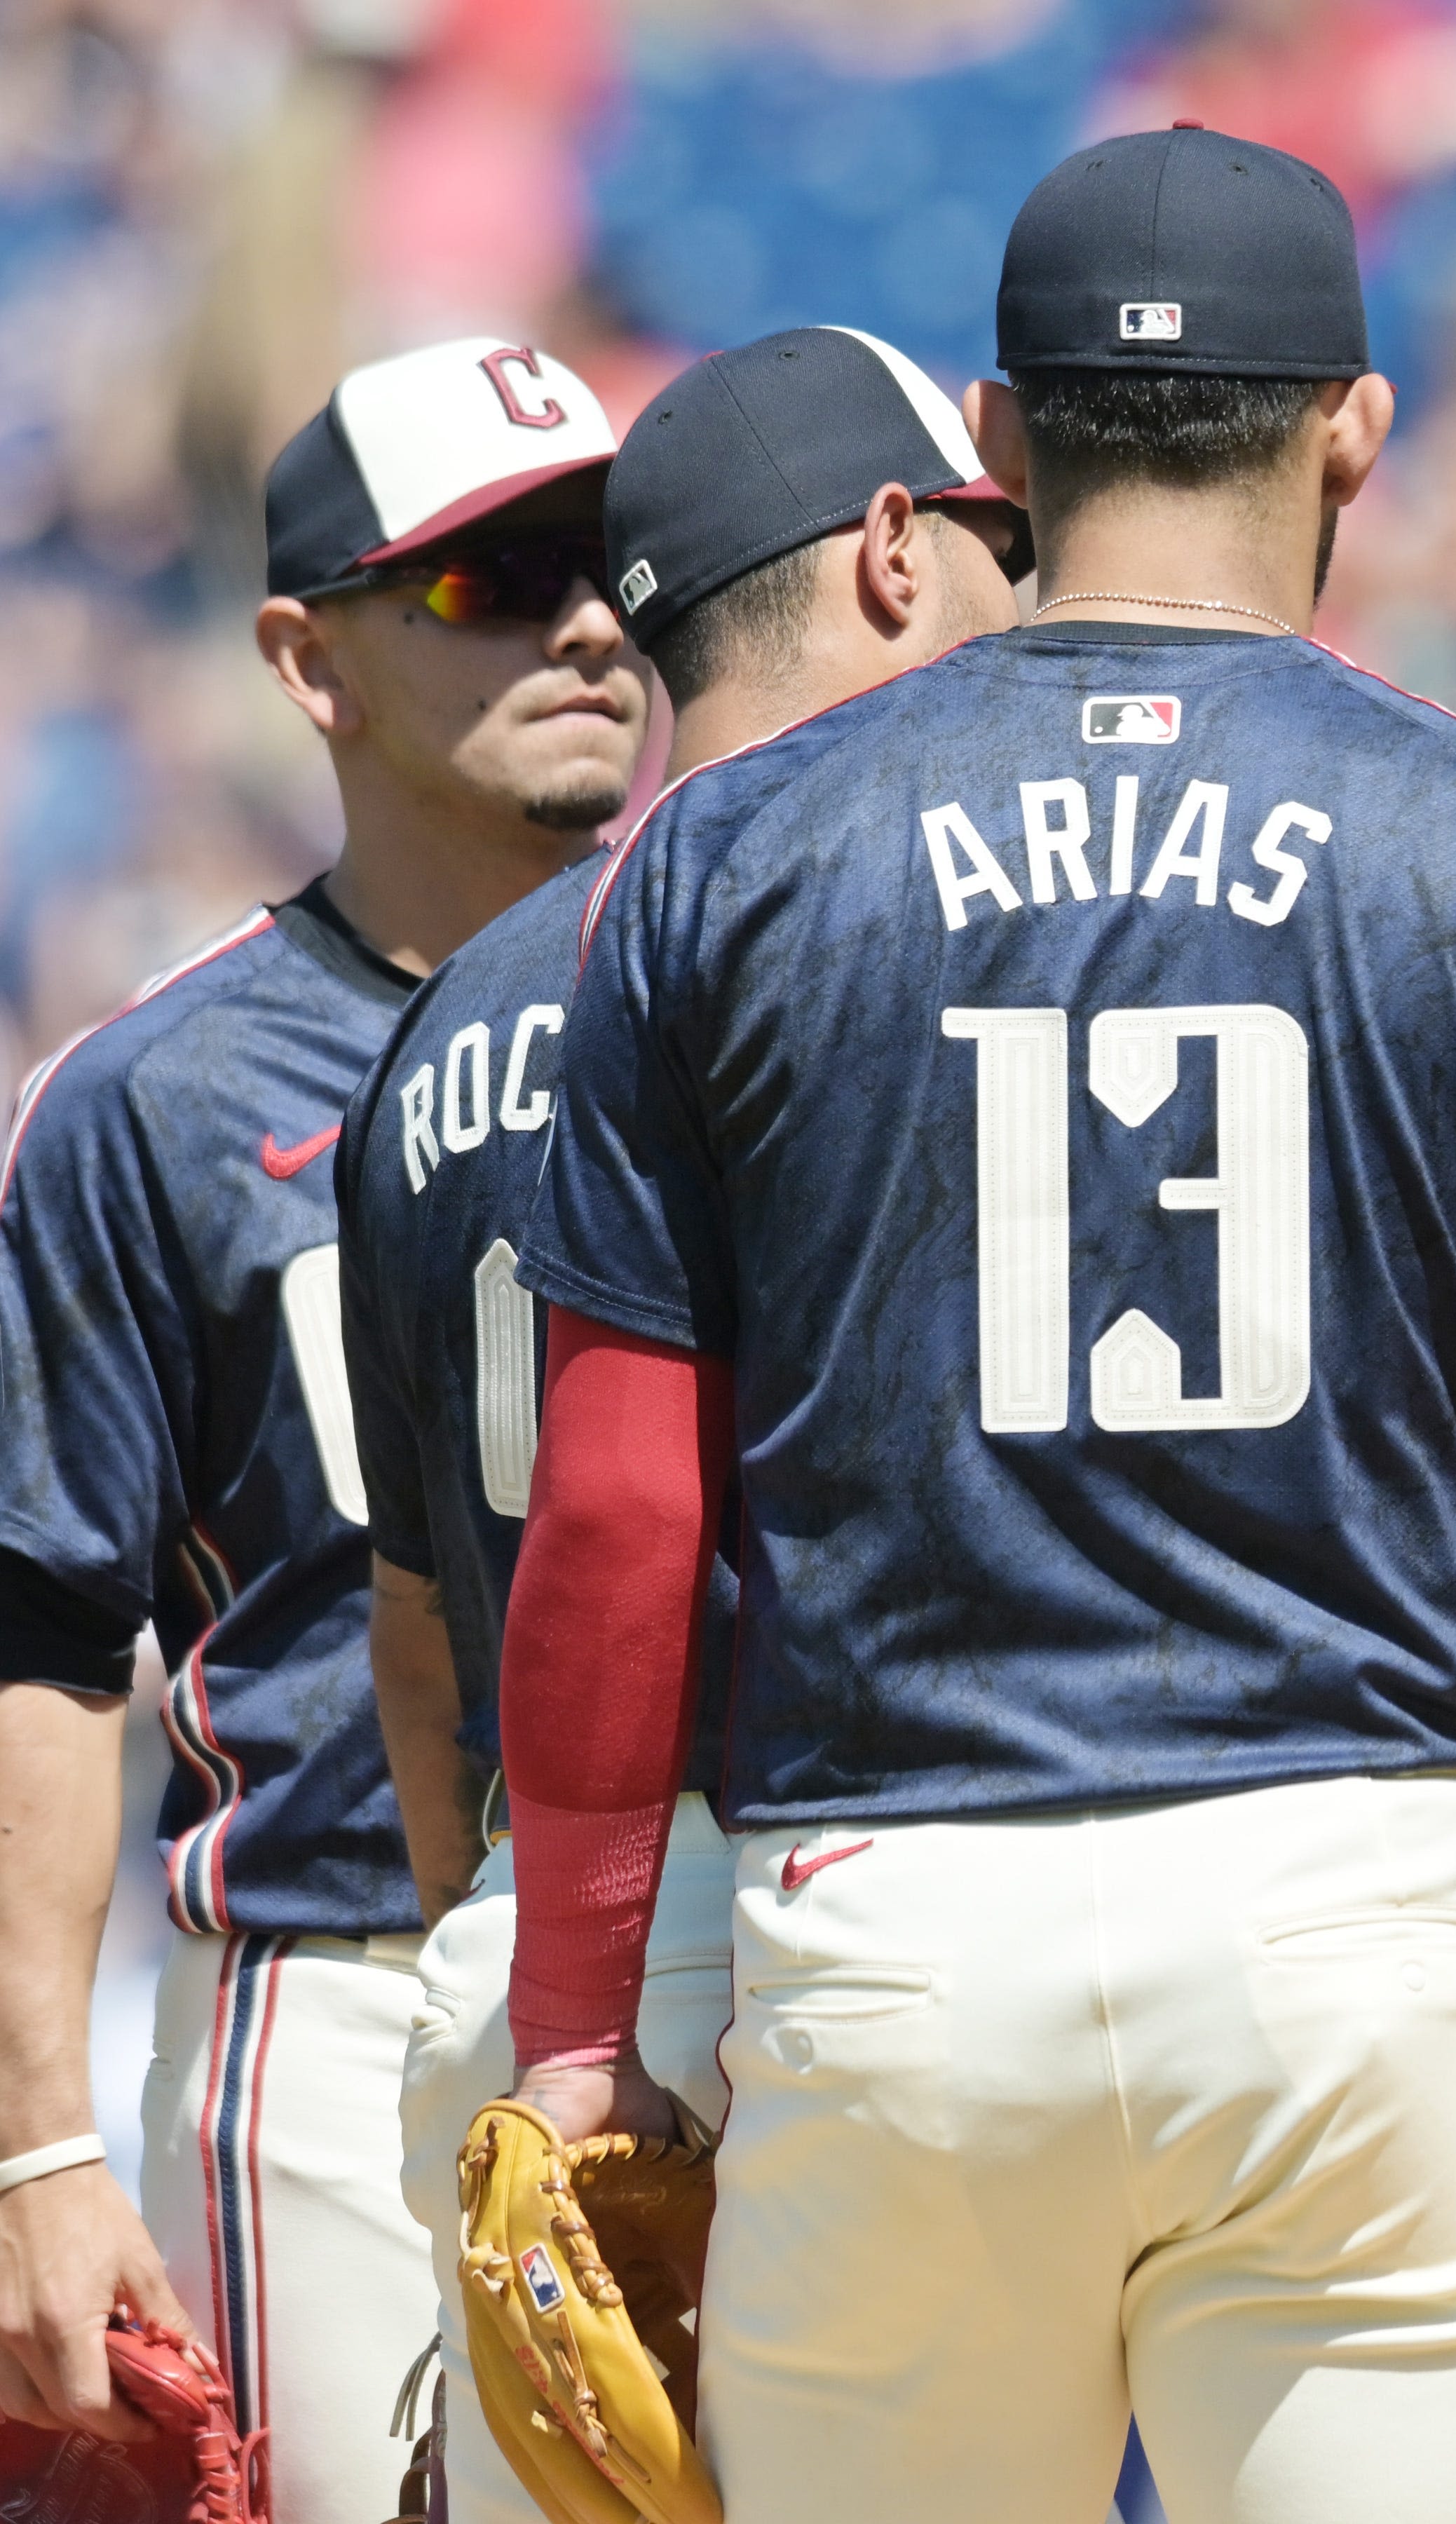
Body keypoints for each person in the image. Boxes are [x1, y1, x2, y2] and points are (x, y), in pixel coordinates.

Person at [490, 125, 1456, 2524]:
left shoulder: (723, 853)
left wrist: (586, 2024)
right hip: (1365, 1926)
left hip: (901, 1921)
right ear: (1354, 428)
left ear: (998, 452)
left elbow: (613, 1514)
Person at [345, 324, 1023, 2524]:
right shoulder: (928, 933)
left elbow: (430, 1616)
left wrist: (531, 1960)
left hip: (547, 1916)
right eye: (1008, 543)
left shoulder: (461, 1005)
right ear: (897, 558)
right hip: (861, 1899)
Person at [0, 339, 637, 2517]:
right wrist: (36, 2145)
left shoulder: (759, 984)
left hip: (737, 1961)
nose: (584, 620)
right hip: (347, 1999)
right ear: (307, 659)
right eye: (488, 578)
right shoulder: (151, 1106)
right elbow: (46, 1648)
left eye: (612, 561)